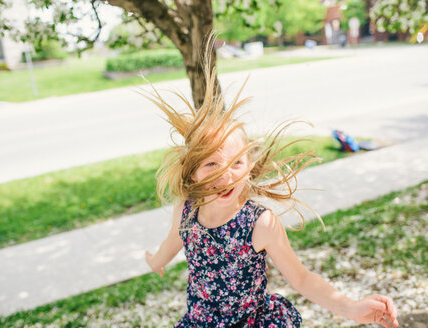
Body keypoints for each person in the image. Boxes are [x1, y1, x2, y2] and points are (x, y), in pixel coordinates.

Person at [143, 36, 399, 328]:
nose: (226, 175)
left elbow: (302, 278)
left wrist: (351, 308)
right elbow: (169, 246)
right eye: (212, 164)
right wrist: (155, 261)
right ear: (192, 172)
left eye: (236, 163)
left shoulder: (260, 224)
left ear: (249, 167)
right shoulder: (186, 212)